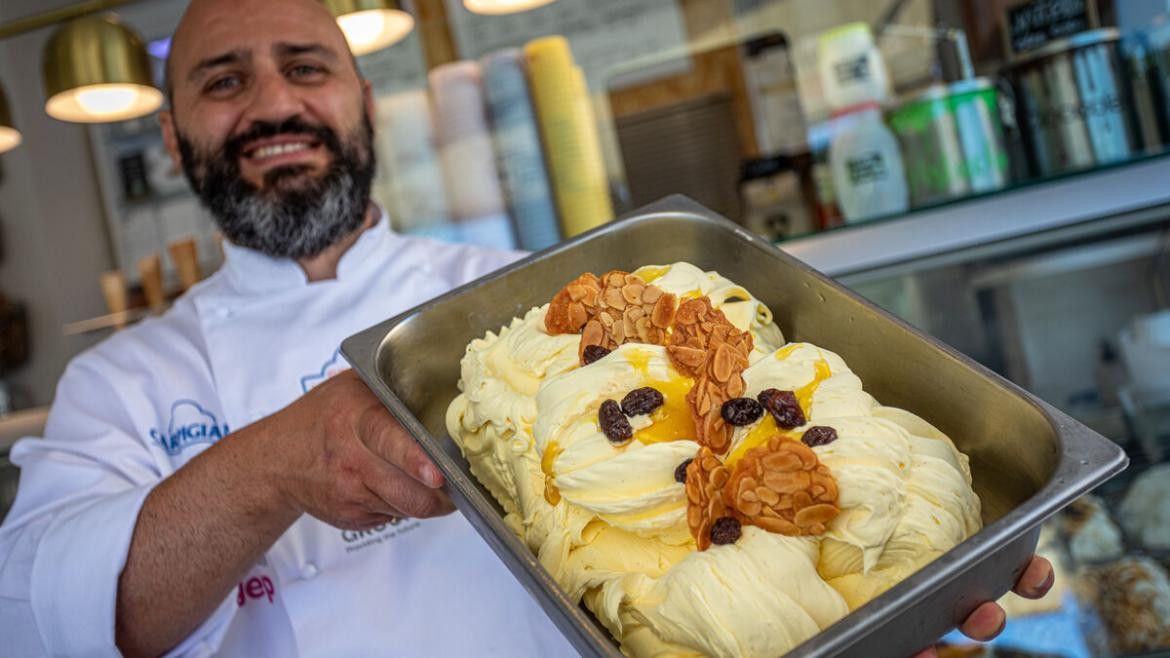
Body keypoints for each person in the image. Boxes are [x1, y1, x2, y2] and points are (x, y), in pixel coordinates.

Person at [0, 0, 1052, 655]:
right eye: (223, 82)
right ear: (177, 137)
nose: (275, 103)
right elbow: (41, 621)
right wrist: (273, 465)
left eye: (306, 67)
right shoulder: (121, 382)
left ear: (364, 101)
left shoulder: (525, 302)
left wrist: (858, 607)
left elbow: (707, 488)